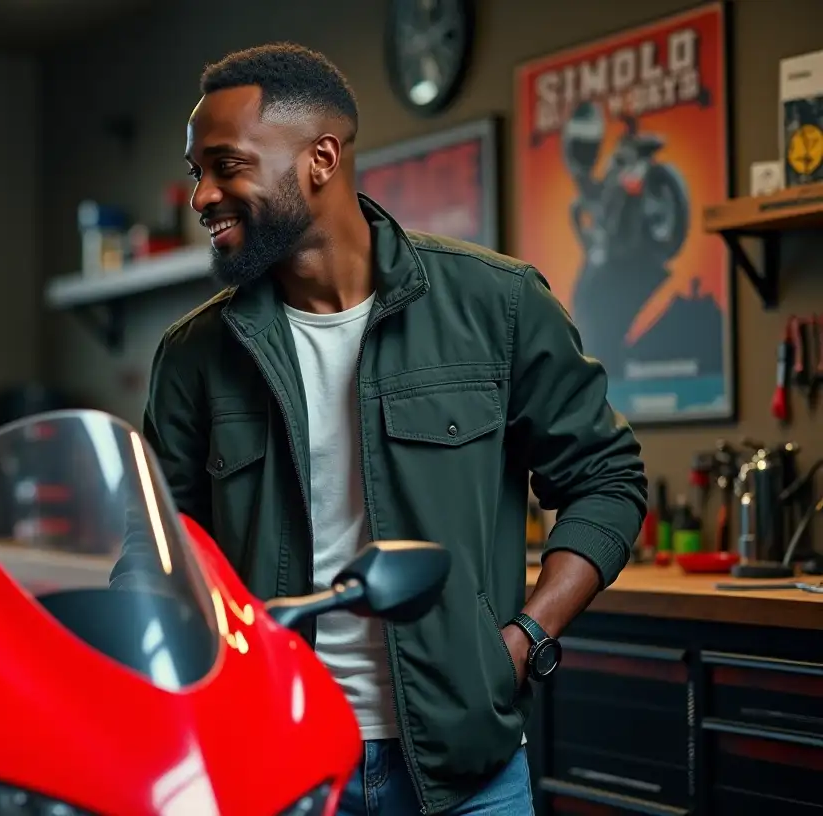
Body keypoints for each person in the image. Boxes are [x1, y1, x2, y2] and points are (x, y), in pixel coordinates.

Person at [147, 44, 647, 814]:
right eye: (195, 174)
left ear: (320, 159)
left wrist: (523, 641)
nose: (202, 195)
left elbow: (607, 481)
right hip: (277, 767)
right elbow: (154, 550)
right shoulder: (194, 357)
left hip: (464, 771)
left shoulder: (498, 304)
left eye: (225, 166)